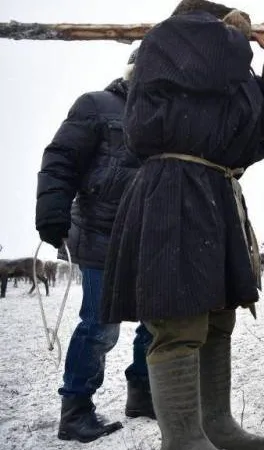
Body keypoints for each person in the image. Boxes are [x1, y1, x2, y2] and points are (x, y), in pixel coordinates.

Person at [99, 0, 264, 448]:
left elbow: (262, 119)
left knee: (217, 316)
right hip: (173, 190)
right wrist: (237, 31)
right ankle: (184, 440)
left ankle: (216, 424)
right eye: (225, 31)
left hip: (213, 190)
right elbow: (202, 39)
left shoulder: (218, 77)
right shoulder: (168, 39)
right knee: (179, 320)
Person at [35, 47, 154, 443]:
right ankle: (76, 409)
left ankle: (143, 393)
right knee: (101, 325)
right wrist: (52, 210)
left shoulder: (166, 117)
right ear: (134, 69)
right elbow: (61, 157)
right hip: (102, 232)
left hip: (153, 236)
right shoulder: (96, 105)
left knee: (158, 321)